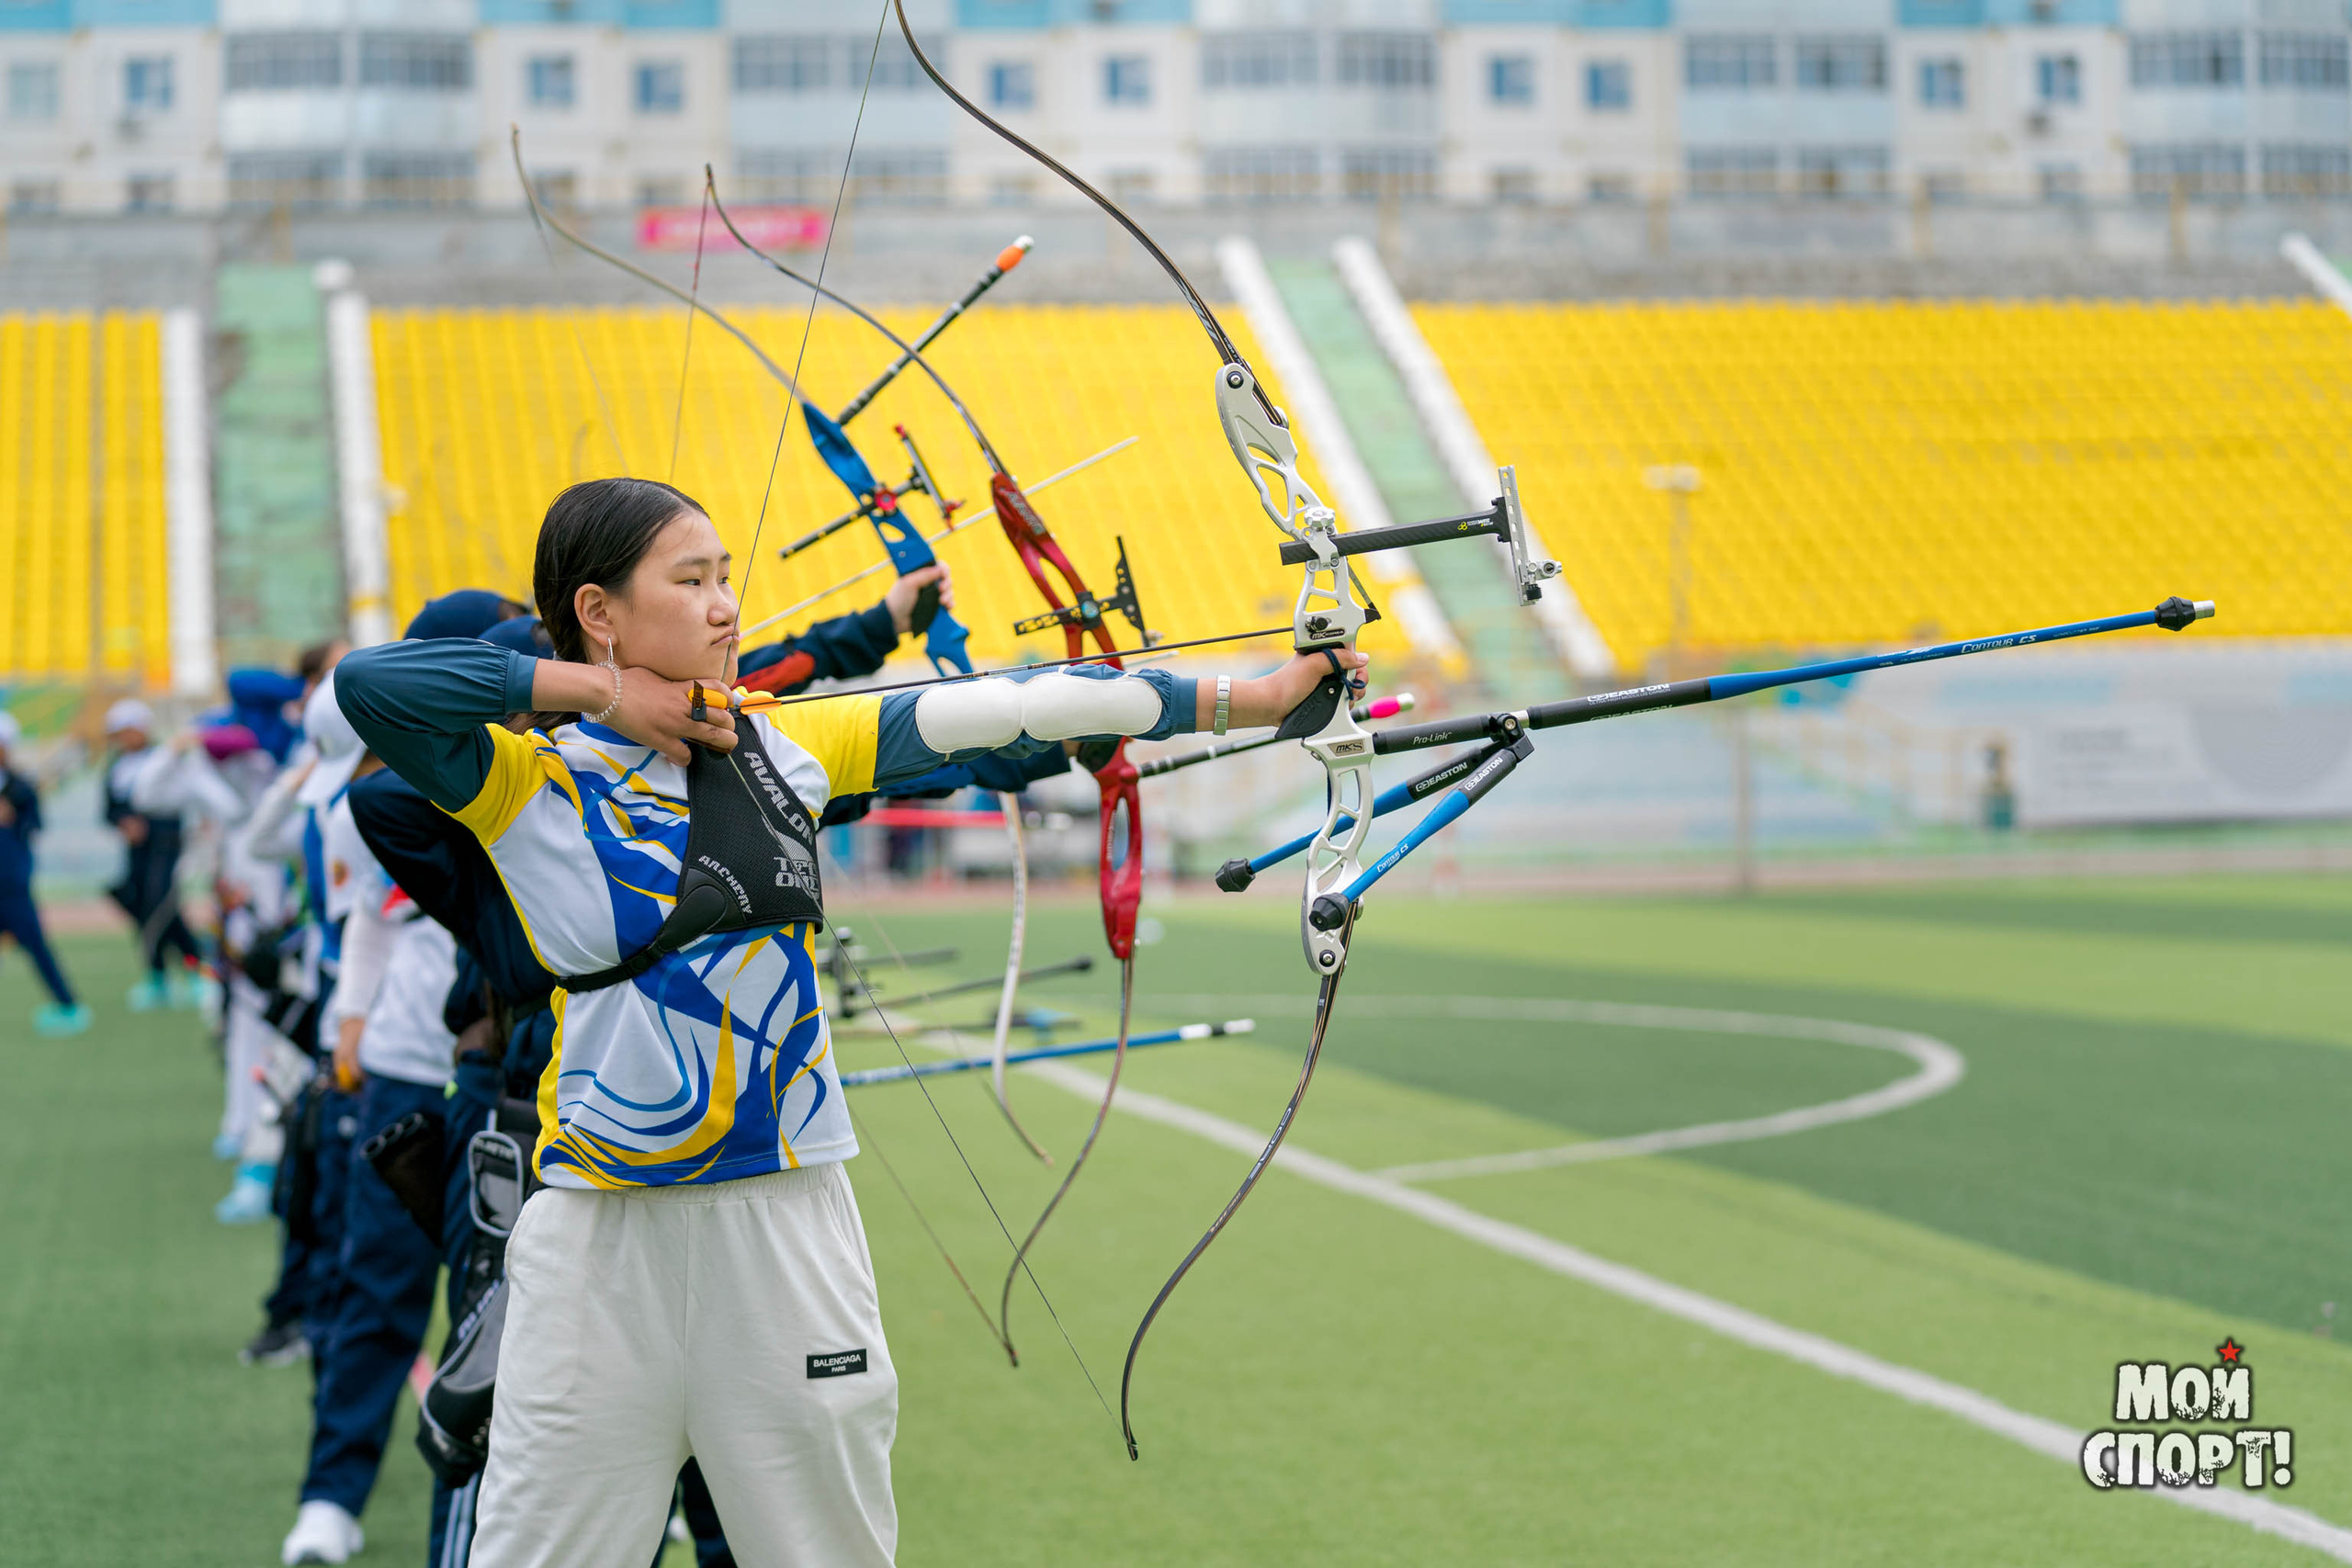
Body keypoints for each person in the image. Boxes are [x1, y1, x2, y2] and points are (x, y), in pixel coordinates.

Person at [334, 476, 1359, 1568]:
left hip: (785, 1219)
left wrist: (1261, 699)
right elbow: (374, 684)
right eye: (691, 581)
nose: (727, 605)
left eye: (727, 576)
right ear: (598, 611)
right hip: (596, 1236)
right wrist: (598, 697)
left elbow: (1031, 703)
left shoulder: (792, 746)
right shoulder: (520, 780)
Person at [101, 698, 206, 1010]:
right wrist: (124, 822)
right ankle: (160, 976)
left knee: (160, 904)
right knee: (145, 906)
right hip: (137, 848)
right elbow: (108, 809)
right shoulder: (115, 767)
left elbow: (183, 797)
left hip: (167, 841)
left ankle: (196, 971)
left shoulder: (164, 758)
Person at [0, 710, 89, 1036]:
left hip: (11, 883)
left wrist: (12, 818)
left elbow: (35, 825)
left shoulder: (20, 787)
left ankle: (67, 1004)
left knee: (36, 946)